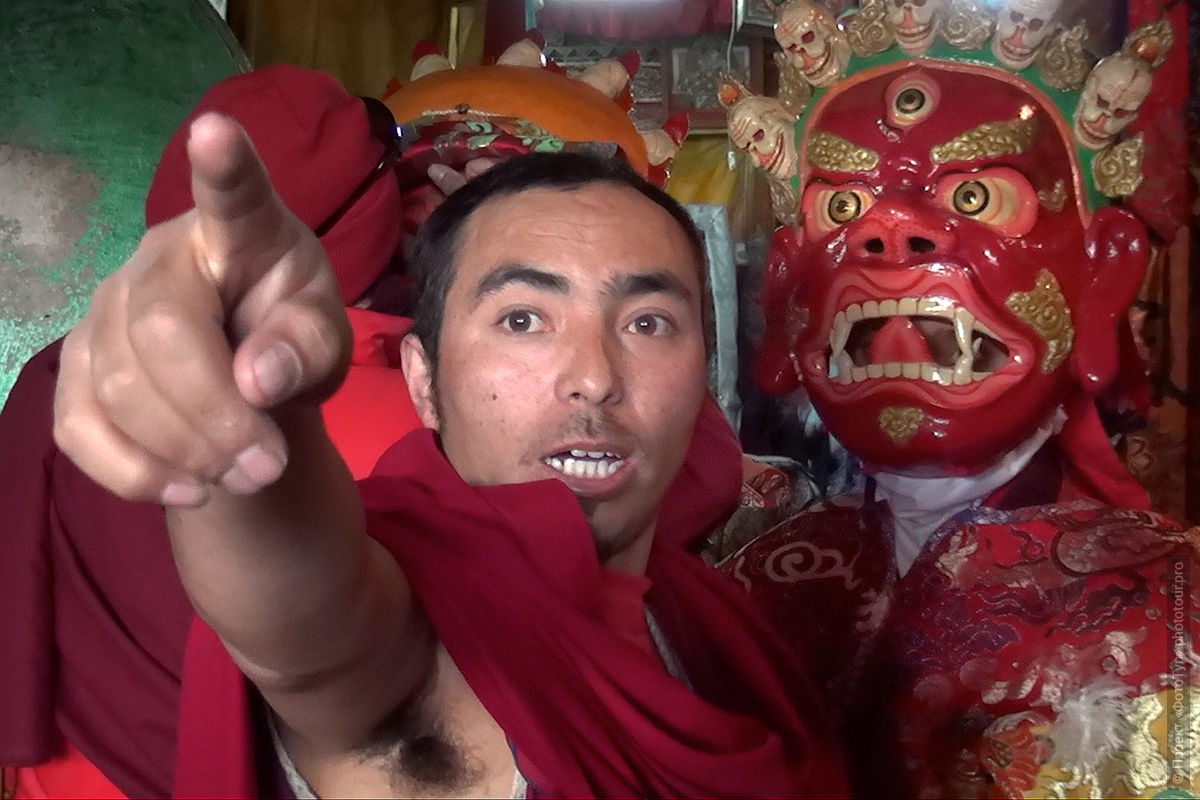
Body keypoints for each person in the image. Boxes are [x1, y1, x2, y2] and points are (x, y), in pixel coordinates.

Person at [51, 114, 846, 797]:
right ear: (423, 381)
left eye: (647, 323)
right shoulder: (401, 629)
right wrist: (248, 402)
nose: (595, 379)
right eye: (523, 321)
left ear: (704, 373)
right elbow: (300, 629)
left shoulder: (709, 618)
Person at [719, 5, 1198, 798]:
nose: (891, 231)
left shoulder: (1177, 603)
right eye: (840, 207)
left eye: (976, 198)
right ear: (785, 292)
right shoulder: (737, 598)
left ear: (1103, 271)